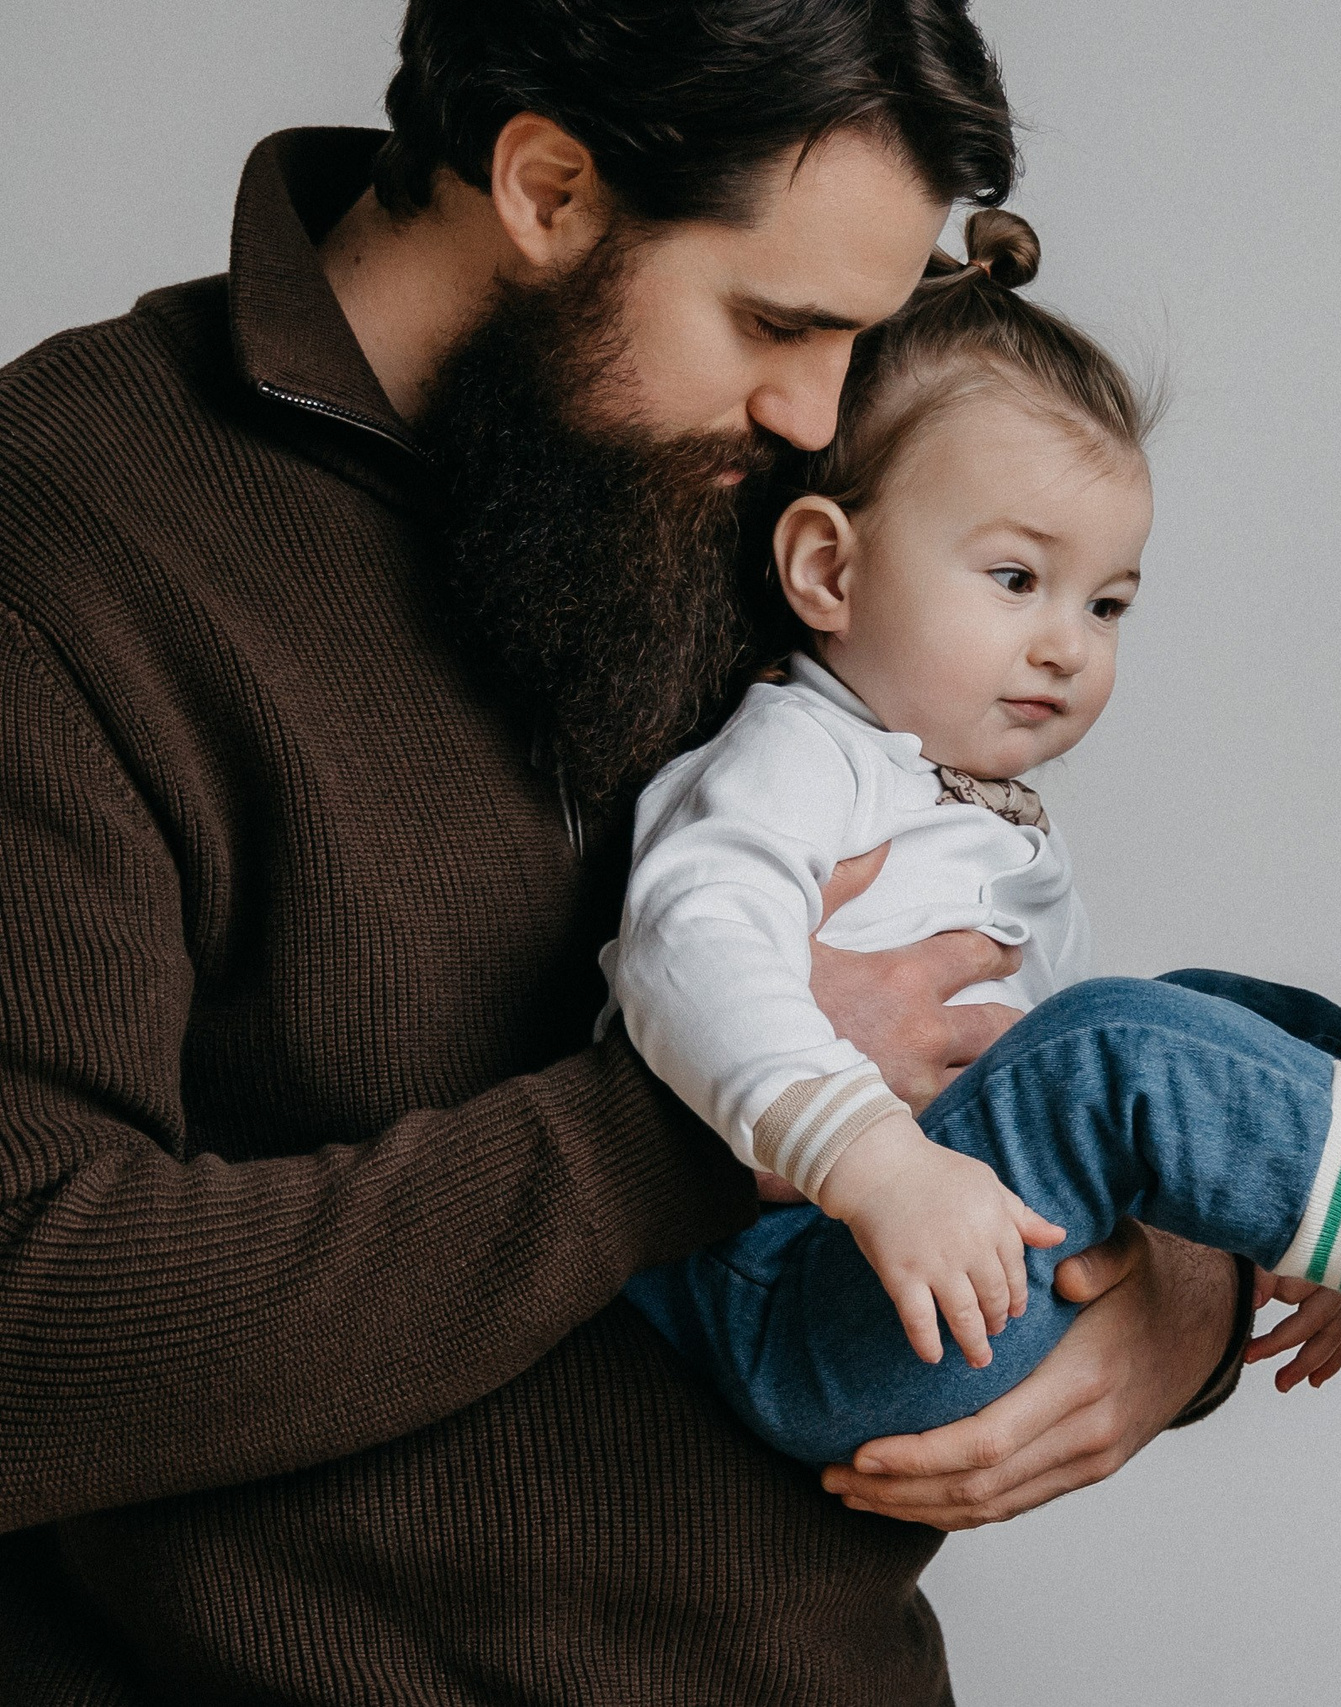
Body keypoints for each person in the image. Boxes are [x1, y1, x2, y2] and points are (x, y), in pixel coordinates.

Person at [0, 4, 1253, 1698]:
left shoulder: (765, 483)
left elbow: (968, 978)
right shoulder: (66, 535)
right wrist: (688, 1121)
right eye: (777, 320)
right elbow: (31, 1338)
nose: (823, 414)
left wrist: (1182, 1280)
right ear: (546, 184)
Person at [607, 208, 1341, 1464]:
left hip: (923, 1259)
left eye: (1107, 601)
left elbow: (1076, 1086)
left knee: (1202, 1012)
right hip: (783, 1289)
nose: (1070, 642)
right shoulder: (795, 753)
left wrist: (1259, 1220)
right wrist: (871, 1164)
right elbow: (684, 954)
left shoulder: (957, 802)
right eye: (1016, 578)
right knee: (1122, 1043)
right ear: (828, 573)